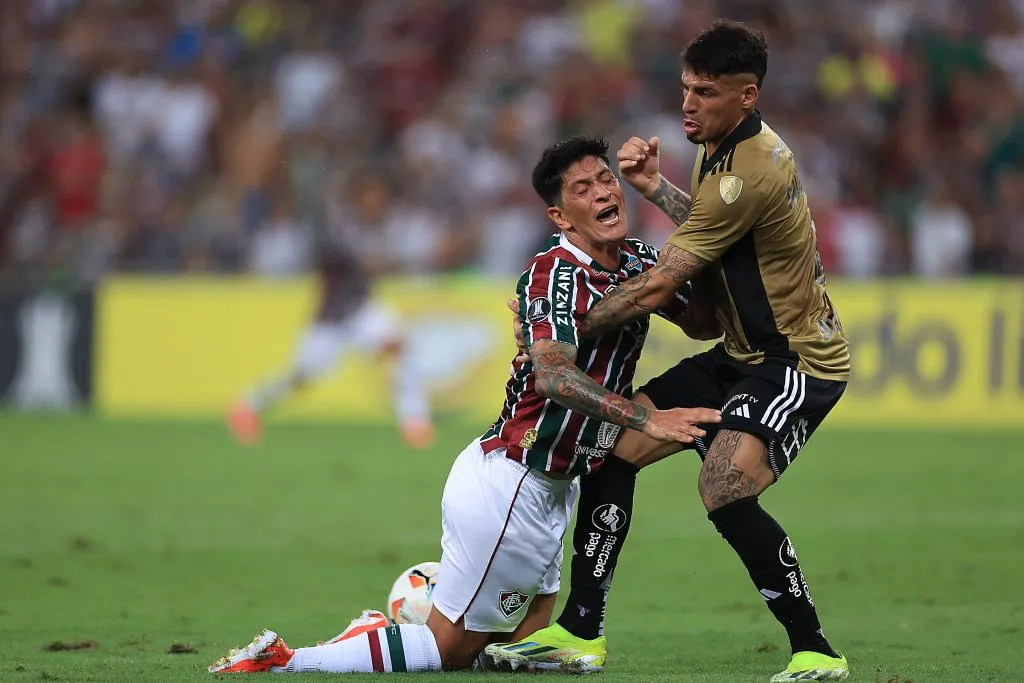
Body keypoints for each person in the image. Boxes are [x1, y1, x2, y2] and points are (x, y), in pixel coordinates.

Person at [208, 136, 721, 674]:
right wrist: (647, 417)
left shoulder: (638, 259)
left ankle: (379, 632)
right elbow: (552, 377)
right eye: (582, 188)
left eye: (605, 180)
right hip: (513, 481)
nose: (602, 193)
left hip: (553, 488)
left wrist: (661, 192)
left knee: (524, 649)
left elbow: (705, 320)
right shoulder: (553, 274)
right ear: (560, 215)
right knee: (448, 651)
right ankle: (287, 659)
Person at [486, 21, 851, 682]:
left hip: (793, 361)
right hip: (740, 353)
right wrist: (657, 187)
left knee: (723, 485)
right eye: (685, 88)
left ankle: (816, 648)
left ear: (746, 96)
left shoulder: (753, 167)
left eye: (705, 93)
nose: (688, 104)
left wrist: (564, 327)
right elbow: (720, 234)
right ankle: (580, 632)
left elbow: (659, 284)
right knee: (611, 444)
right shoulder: (719, 147)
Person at [227, 173, 437, 449]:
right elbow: (354, 263)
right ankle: (247, 406)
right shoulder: (343, 229)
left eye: (380, 197)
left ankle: (414, 422)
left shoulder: (378, 227)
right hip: (332, 316)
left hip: (360, 310)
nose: (377, 203)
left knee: (400, 343)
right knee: (301, 375)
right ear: (359, 199)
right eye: (371, 196)